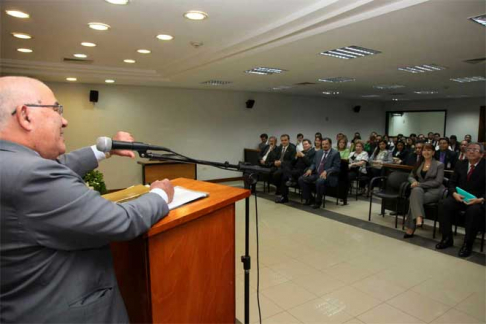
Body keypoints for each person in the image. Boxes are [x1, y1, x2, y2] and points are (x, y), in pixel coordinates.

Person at [0, 77, 174, 323]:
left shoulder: (12, 163)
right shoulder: (32, 175)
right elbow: (121, 221)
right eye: (57, 109)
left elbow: (56, 168)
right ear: (26, 116)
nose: (64, 120)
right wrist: (159, 195)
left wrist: (103, 150)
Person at [436, 143, 485, 257]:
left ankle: (467, 244)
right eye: (469, 149)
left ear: (482, 154)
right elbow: (452, 182)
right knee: (444, 204)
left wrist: (480, 199)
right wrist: (454, 193)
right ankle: (447, 238)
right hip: (460, 197)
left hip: (477, 200)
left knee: (473, 211)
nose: (471, 152)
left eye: (475, 150)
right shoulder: (460, 163)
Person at [403, 143, 444, 238]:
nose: (426, 152)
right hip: (420, 190)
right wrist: (414, 181)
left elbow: (438, 182)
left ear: (433, 152)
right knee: (416, 192)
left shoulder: (439, 164)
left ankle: (411, 228)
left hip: (435, 190)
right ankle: (418, 217)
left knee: (414, 199)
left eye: (429, 150)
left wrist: (419, 184)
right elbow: (410, 176)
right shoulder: (419, 163)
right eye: (424, 150)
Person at [298, 138, 341, 209]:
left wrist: (326, 171)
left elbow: (336, 167)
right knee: (301, 179)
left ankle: (318, 202)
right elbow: (314, 163)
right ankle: (310, 199)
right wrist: (310, 169)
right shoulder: (319, 152)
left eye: (326, 144)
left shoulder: (335, 153)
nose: (324, 146)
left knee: (319, 181)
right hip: (317, 173)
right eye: (323, 144)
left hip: (328, 175)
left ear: (330, 144)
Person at [276, 139, 316, 203]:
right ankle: (285, 197)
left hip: (303, 170)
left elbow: (311, 163)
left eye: (306, 144)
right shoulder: (301, 151)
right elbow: (293, 163)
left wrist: (303, 156)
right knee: (284, 169)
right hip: (295, 169)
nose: (304, 146)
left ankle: (291, 179)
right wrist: (296, 157)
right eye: (303, 145)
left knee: (284, 176)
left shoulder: (314, 152)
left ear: (310, 145)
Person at [272, 134, 296, 201]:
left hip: (287, 167)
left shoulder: (292, 148)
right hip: (278, 166)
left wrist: (281, 163)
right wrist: (275, 161)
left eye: (285, 140)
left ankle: (283, 194)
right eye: (282, 140)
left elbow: (292, 161)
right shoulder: (280, 147)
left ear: (288, 140)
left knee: (280, 175)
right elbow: (276, 157)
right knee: (272, 174)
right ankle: (280, 190)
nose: (284, 142)